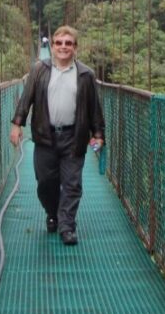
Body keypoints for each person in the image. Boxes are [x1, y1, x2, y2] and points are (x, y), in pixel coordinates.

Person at [9, 25, 105, 246]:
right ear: (51, 47)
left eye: (68, 43)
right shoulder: (39, 70)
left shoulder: (86, 74)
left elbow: (94, 108)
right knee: (45, 183)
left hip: (74, 137)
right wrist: (17, 125)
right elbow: (26, 99)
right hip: (45, 137)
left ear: (75, 48)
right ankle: (52, 212)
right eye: (59, 43)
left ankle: (67, 226)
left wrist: (98, 133)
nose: (63, 47)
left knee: (72, 184)